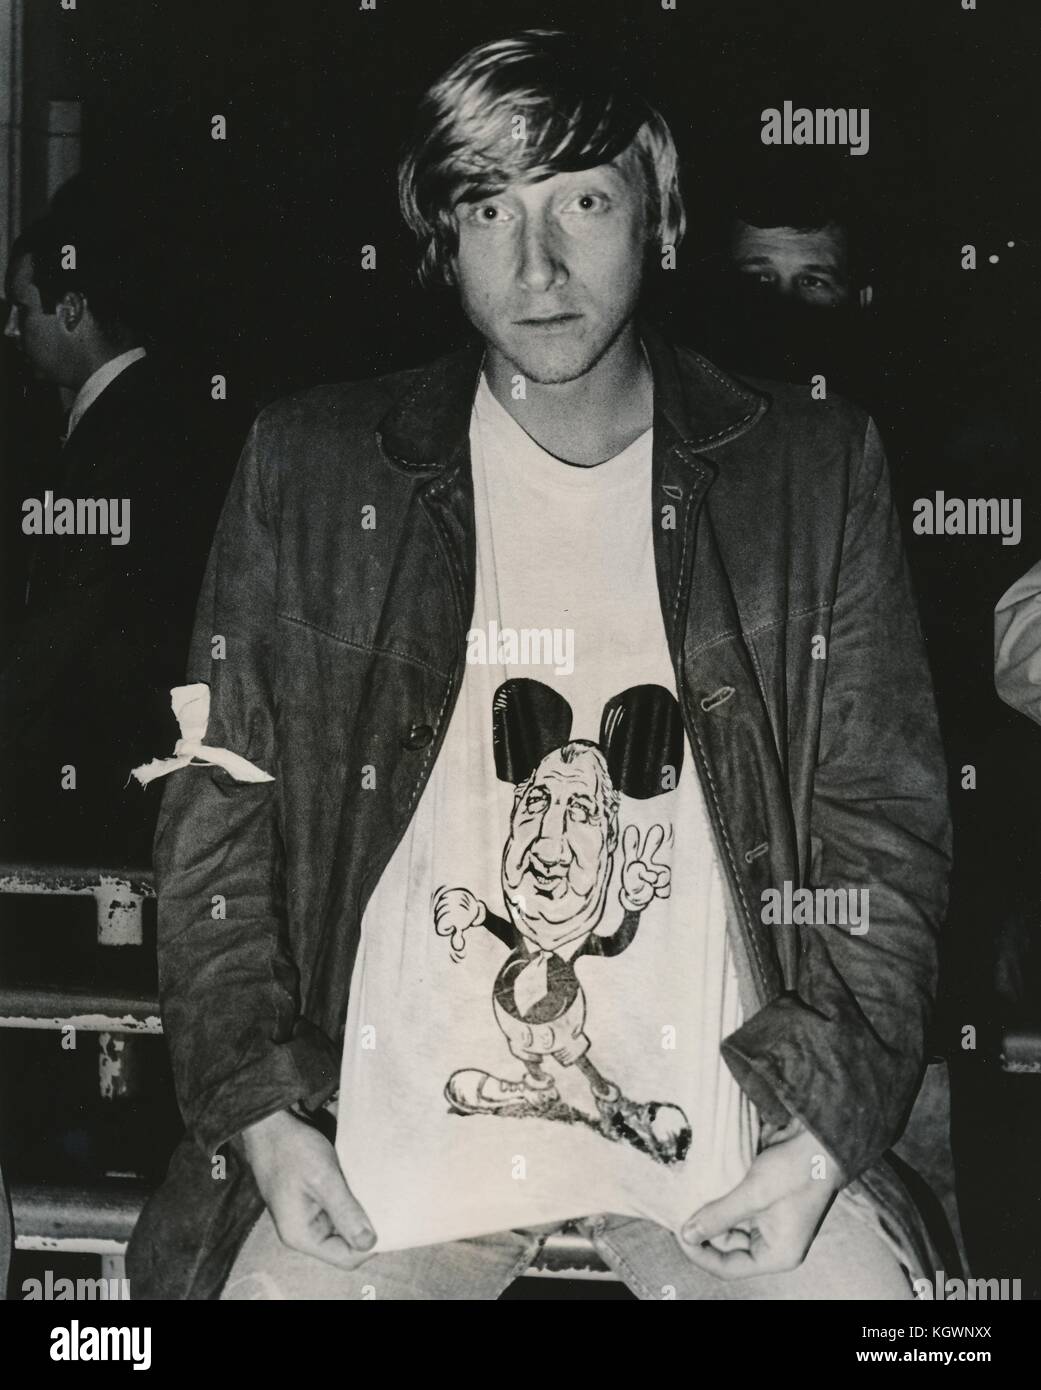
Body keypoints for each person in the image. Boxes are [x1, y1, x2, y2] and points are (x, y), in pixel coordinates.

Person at [127, 29, 952, 1300]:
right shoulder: (312, 466)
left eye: (583, 200)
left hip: (728, 1147)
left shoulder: (811, 469)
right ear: (442, 238)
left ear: (660, 214)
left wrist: (821, 1136)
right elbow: (215, 824)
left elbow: (882, 835)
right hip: (379, 1145)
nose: (540, 263)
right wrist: (262, 1113)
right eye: (489, 208)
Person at [0, 205, 232, 865]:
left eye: (23, 307)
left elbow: (74, 611)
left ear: (71, 308)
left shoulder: (133, 435)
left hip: (109, 769)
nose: (12, 328)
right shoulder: (140, 414)